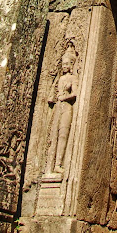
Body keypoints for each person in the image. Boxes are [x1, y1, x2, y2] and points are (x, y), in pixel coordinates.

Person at [45, 44, 78, 176]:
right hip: (58, 107)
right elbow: (52, 96)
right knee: (54, 135)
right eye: (63, 64)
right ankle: (50, 165)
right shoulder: (60, 79)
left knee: (63, 134)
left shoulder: (73, 78)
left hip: (67, 107)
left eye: (66, 64)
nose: (64, 66)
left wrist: (64, 97)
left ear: (71, 65)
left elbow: (75, 93)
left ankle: (59, 163)